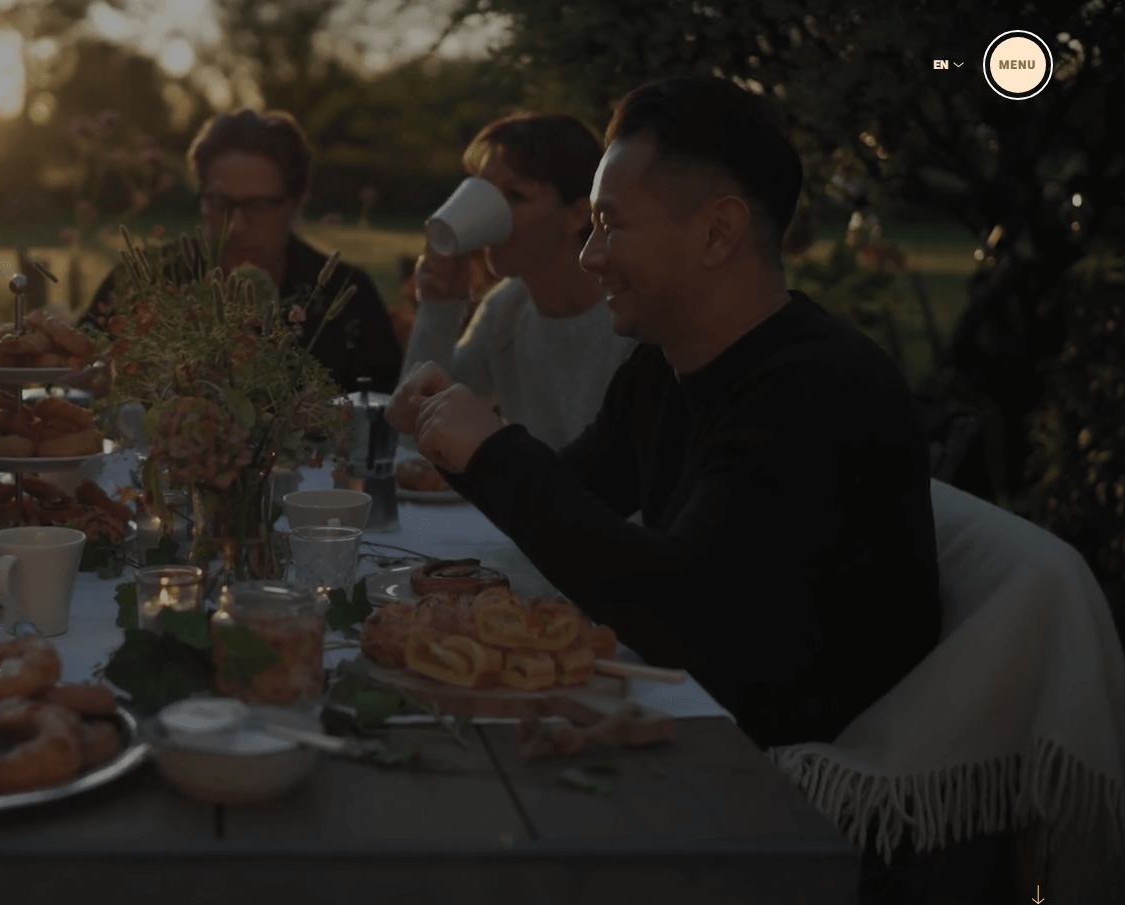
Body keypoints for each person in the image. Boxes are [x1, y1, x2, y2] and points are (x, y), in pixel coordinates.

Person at [391, 76, 941, 749]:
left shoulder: (815, 389)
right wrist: (457, 442)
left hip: (768, 764)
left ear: (717, 232)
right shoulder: (665, 364)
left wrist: (493, 451)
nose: (591, 256)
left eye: (611, 224)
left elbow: (679, 612)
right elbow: (576, 496)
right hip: (688, 708)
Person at [77, 109, 404, 394]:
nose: (235, 226)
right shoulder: (142, 280)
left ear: (296, 202)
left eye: (258, 206)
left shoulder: (344, 297)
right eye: (220, 203)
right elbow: (71, 373)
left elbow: (388, 411)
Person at [401, 113, 638, 451]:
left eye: (515, 196)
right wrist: (439, 306)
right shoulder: (507, 309)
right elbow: (415, 428)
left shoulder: (631, 321)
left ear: (576, 214)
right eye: (484, 192)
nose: (489, 213)